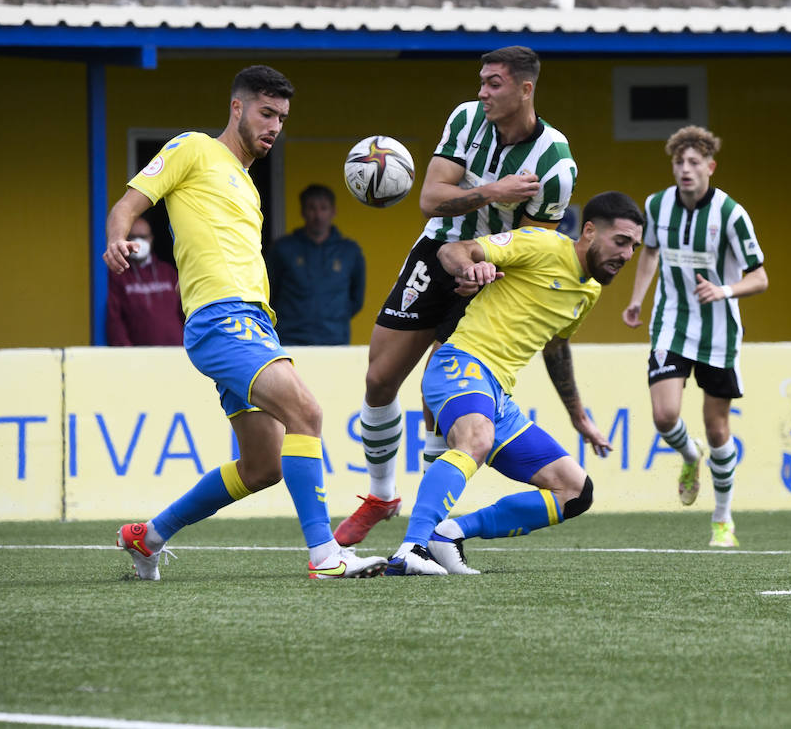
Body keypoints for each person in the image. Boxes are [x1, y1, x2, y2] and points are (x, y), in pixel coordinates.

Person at [103, 65, 387, 580]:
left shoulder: (249, 186)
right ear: (237, 108)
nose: (275, 125)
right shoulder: (192, 148)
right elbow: (129, 202)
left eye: (281, 116)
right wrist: (117, 238)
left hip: (254, 323)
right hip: (219, 319)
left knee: (263, 467)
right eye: (266, 112)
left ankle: (150, 537)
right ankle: (326, 555)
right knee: (307, 411)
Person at [334, 45, 580, 547]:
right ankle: (382, 496)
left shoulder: (555, 164)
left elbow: (535, 249)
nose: (482, 91)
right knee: (379, 380)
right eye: (482, 81)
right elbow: (430, 198)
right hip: (437, 252)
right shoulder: (466, 120)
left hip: (495, 272)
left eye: (493, 83)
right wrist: (494, 192)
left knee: (437, 388)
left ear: (525, 89)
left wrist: (487, 275)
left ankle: (422, 529)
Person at [385, 191, 643, 576]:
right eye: (620, 241)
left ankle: (449, 534)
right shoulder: (541, 244)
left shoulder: (589, 291)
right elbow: (453, 251)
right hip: (460, 364)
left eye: (634, 246)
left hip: (497, 395)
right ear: (589, 231)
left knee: (574, 491)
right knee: (476, 437)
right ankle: (412, 548)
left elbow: (556, 350)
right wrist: (470, 269)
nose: (626, 254)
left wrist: (579, 418)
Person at [622, 126, 768, 548]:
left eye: (693, 163)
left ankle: (723, 519)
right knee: (665, 416)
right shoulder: (656, 205)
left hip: (719, 331)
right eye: (678, 163)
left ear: (710, 166)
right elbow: (649, 250)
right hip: (671, 323)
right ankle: (689, 455)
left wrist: (723, 289)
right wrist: (637, 299)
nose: (684, 170)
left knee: (717, 427)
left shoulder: (731, 214)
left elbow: (760, 277)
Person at [267, 183, 366, 345]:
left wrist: (334, 318)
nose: (318, 215)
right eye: (312, 208)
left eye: (323, 208)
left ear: (333, 211)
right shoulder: (283, 248)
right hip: (290, 340)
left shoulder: (350, 251)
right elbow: (269, 294)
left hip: (335, 341)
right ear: (302, 211)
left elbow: (356, 300)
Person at [105, 216, 185, 346]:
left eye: (143, 237)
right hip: (140, 358)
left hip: (177, 351)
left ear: (151, 239)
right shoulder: (118, 274)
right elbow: (115, 320)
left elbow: (185, 310)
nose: (138, 242)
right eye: (132, 237)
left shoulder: (167, 271)